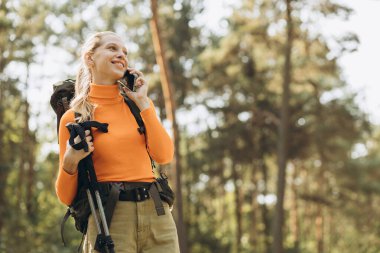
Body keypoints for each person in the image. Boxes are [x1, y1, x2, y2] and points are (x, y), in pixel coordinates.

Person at [55, 31, 180, 253]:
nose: (121, 55)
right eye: (112, 49)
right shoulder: (74, 117)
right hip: (109, 218)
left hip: (158, 213)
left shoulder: (138, 106)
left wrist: (143, 103)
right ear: (90, 58)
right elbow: (65, 197)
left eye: (125, 52)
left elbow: (164, 155)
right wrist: (70, 161)